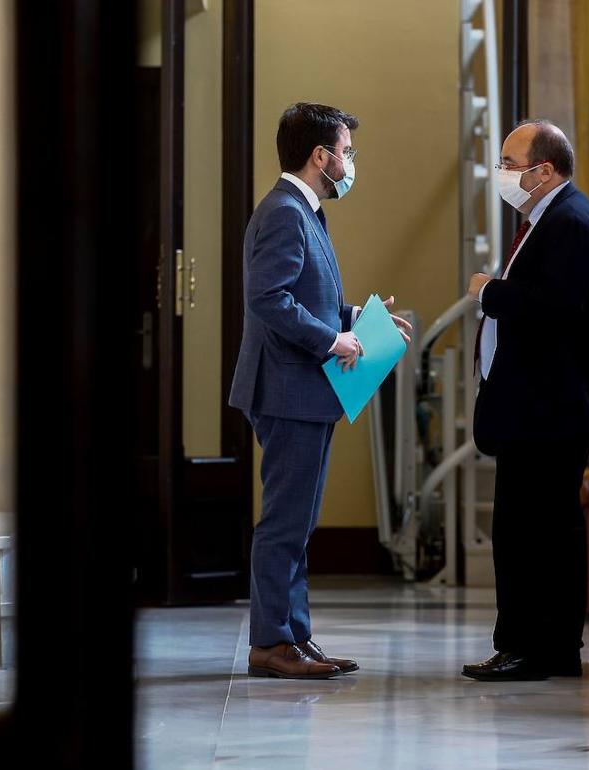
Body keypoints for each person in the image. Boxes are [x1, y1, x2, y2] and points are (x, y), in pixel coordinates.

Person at [229, 102, 411, 680]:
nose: (350, 162)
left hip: (302, 391)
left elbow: (307, 295)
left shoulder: (302, 210)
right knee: (286, 522)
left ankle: (295, 636)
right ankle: (271, 643)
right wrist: (334, 340)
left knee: (300, 522)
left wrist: (359, 320)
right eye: (346, 152)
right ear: (320, 155)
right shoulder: (285, 212)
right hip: (287, 390)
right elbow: (269, 299)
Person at [462, 119, 589, 681]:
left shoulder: (570, 221)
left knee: (530, 530)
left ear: (545, 170)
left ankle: (531, 648)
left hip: (550, 408)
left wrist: (489, 291)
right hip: (538, 405)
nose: (503, 174)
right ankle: (548, 646)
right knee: (536, 527)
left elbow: (555, 308)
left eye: (511, 164)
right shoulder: (549, 218)